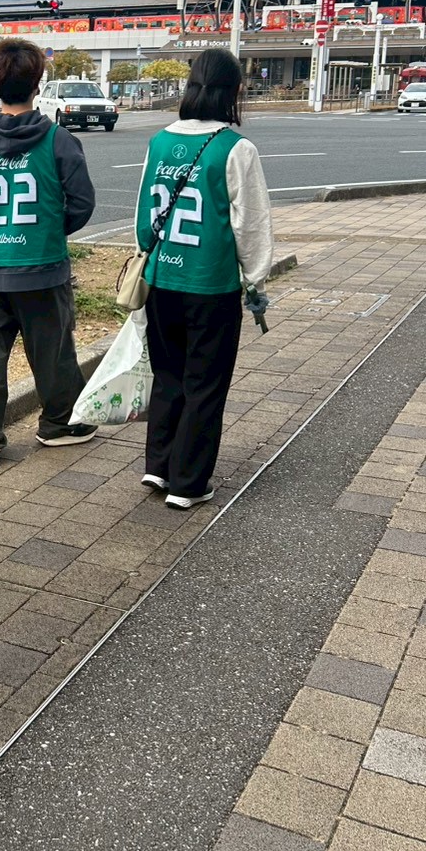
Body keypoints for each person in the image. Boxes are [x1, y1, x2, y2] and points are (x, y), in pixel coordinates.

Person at [0, 37, 97, 465]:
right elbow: (82, 204)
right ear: (37, 84)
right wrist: (48, 229)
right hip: (43, 268)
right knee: (52, 351)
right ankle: (58, 424)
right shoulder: (59, 140)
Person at [135, 47, 272, 511]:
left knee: (168, 374)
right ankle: (189, 483)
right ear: (234, 92)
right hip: (210, 284)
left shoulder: (159, 142)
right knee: (205, 383)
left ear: (190, 86)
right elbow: (250, 224)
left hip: (161, 279)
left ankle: (159, 464)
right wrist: (255, 281)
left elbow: (143, 216)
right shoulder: (236, 149)